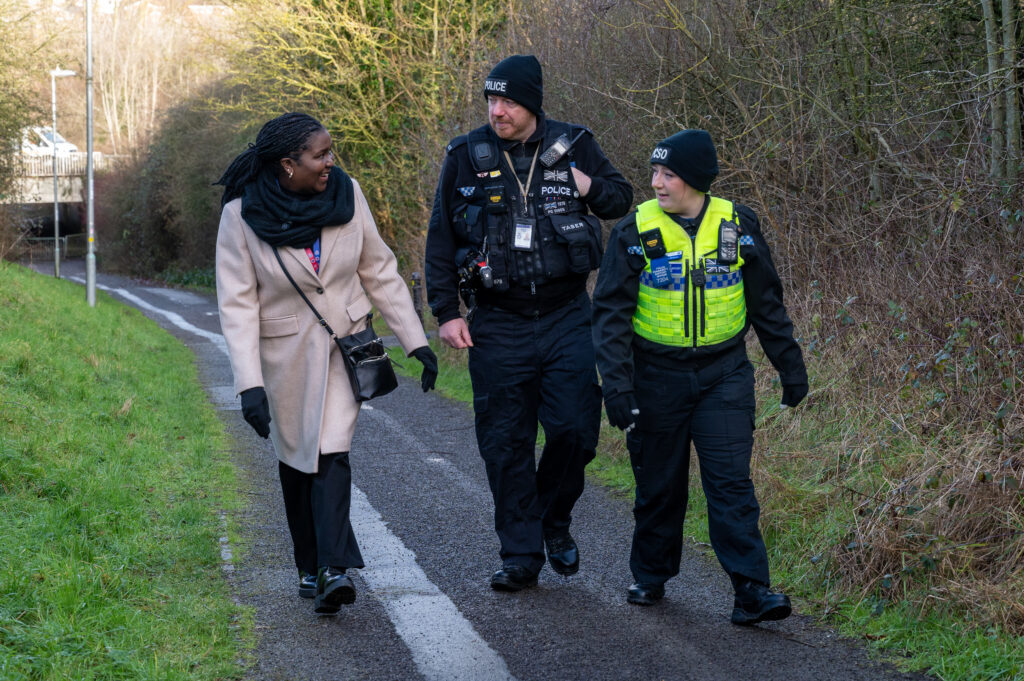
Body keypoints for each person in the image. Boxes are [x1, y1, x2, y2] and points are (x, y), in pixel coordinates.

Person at [214, 112, 438, 615]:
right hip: (284, 357)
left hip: (346, 347)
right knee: (297, 461)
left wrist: (414, 341)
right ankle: (309, 565)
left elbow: (377, 269)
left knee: (331, 451)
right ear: (288, 164)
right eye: (320, 155)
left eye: (331, 152)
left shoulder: (347, 193)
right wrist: (249, 385)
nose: (330, 162)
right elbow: (237, 305)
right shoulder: (241, 215)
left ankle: (335, 567)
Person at [425, 55, 633, 591]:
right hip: (497, 320)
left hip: (567, 315)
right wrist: (447, 312)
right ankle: (520, 553)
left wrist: (585, 184)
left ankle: (552, 520)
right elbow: (441, 242)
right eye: (491, 101)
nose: (497, 111)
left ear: (532, 103)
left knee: (574, 431)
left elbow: (620, 200)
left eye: (509, 101)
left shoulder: (574, 143)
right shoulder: (465, 156)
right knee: (505, 441)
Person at [591, 129, 808, 624]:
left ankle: (751, 590)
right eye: (654, 173)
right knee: (660, 485)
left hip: (723, 374)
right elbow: (609, 317)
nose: (657, 183)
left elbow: (767, 306)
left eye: (668, 174)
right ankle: (650, 574)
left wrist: (790, 369)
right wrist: (617, 387)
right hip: (654, 377)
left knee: (731, 485)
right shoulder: (633, 231)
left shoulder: (739, 225)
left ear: (695, 179)